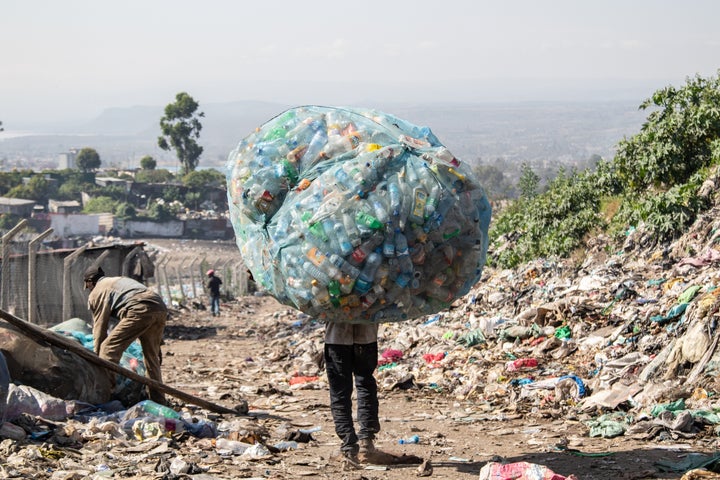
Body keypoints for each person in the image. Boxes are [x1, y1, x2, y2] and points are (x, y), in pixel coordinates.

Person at [83, 265, 168, 404]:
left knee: (108, 349)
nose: (89, 290)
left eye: (88, 286)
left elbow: (99, 329)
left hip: (139, 308)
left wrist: (97, 360)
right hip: (159, 306)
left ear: (90, 282)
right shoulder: (118, 280)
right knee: (151, 359)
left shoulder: (97, 291)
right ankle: (159, 401)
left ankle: (106, 396)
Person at [324, 321, 380, 465]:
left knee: (339, 392)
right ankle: (366, 441)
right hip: (367, 334)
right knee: (365, 384)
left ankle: (348, 446)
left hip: (337, 336)